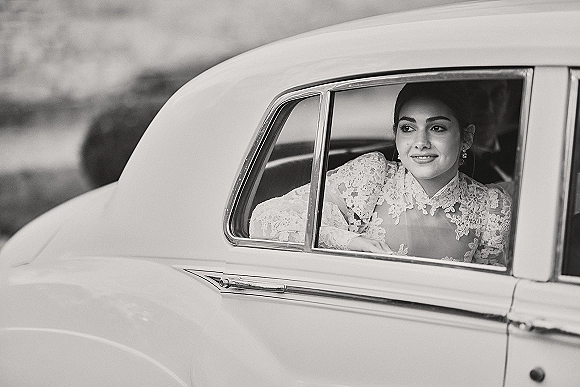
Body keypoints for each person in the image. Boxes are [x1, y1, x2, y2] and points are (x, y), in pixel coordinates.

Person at [250, 81, 512, 266]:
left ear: (466, 138)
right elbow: (266, 219)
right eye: (408, 128)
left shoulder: (492, 209)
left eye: (437, 128)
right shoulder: (371, 177)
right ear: (396, 136)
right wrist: (350, 242)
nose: (420, 142)